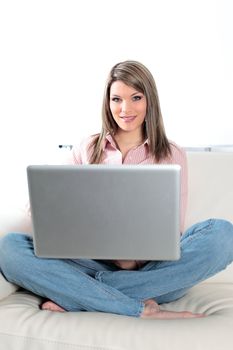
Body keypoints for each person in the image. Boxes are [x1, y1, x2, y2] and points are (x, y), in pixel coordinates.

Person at [0, 60, 233, 319]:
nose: (125, 109)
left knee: (224, 235)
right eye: (116, 99)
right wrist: (54, 214)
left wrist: (133, 259)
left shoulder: (171, 153)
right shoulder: (87, 148)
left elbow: (172, 230)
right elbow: (46, 202)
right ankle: (133, 304)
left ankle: (80, 295)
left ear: (149, 101)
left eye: (136, 97)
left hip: (153, 270)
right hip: (90, 263)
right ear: (107, 103)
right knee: (9, 248)